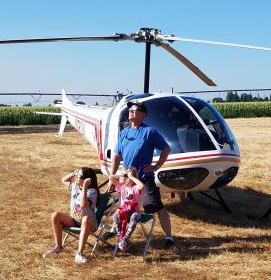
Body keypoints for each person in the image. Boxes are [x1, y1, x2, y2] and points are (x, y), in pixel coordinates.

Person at [108, 100, 175, 248]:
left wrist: (156, 166)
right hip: (126, 181)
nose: (131, 112)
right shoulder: (124, 132)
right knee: (122, 207)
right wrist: (112, 177)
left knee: (157, 207)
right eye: (130, 110)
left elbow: (166, 149)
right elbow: (117, 155)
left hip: (144, 180)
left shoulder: (149, 131)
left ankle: (169, 238)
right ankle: (115, 231)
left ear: (143, 115)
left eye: (135, 110)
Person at [42, 167, 99, 264]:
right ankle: (58, 247)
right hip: (75, 220)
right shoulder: (74, 186)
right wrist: (73, 173)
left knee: (85, 219)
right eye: (76, 175)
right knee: (55, 215)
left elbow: (82, 204)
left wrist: (84, 187)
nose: (76, 177)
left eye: (79, 176)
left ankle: (79, 254)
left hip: (89, 224)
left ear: (86, 179)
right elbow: (63, 180)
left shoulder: (92, 191)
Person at [111, 166, 144, 251]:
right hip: (123, 212)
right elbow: (111, 178)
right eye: (121, 175)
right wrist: (120, 175)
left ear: (129, 178)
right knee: (115, 215)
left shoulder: (135, 188)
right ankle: (120, 238)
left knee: (134, 216)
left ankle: (125, 239)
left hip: (134, 212)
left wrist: (131, 176)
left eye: (123, 175)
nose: (121, 176)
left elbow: (141, 186)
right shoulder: (122, 187)